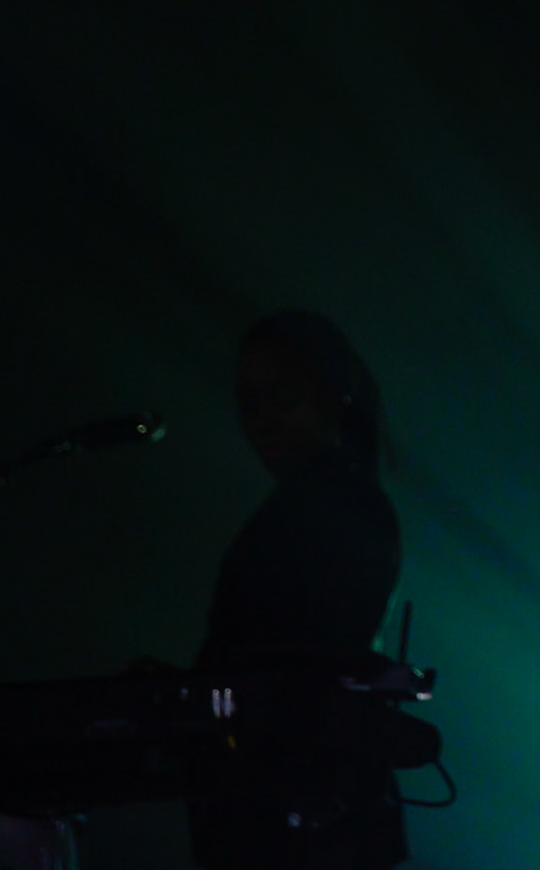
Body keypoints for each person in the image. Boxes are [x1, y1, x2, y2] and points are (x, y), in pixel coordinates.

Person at [191, 310, 407, 870]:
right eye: (249, 406)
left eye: (281, 398)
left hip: (306, 824)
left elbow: (300, 664)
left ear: (335, 393)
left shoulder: (333, 505)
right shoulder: (333, 501)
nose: (260, 422)